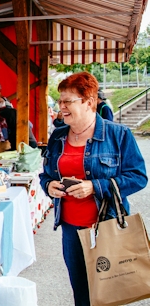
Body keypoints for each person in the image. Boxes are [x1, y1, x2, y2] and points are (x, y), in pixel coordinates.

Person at [40, 72, 147, 306]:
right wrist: (49, 185)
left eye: (68, 101)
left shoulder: (118, 134)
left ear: (89, 102)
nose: (62, 107)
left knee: (109, 293)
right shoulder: (58, 136)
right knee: (81, 293)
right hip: (71, 229)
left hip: (106, 225)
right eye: (60, 101)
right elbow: (45, 174)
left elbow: (138, 177)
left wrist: (95, 186)